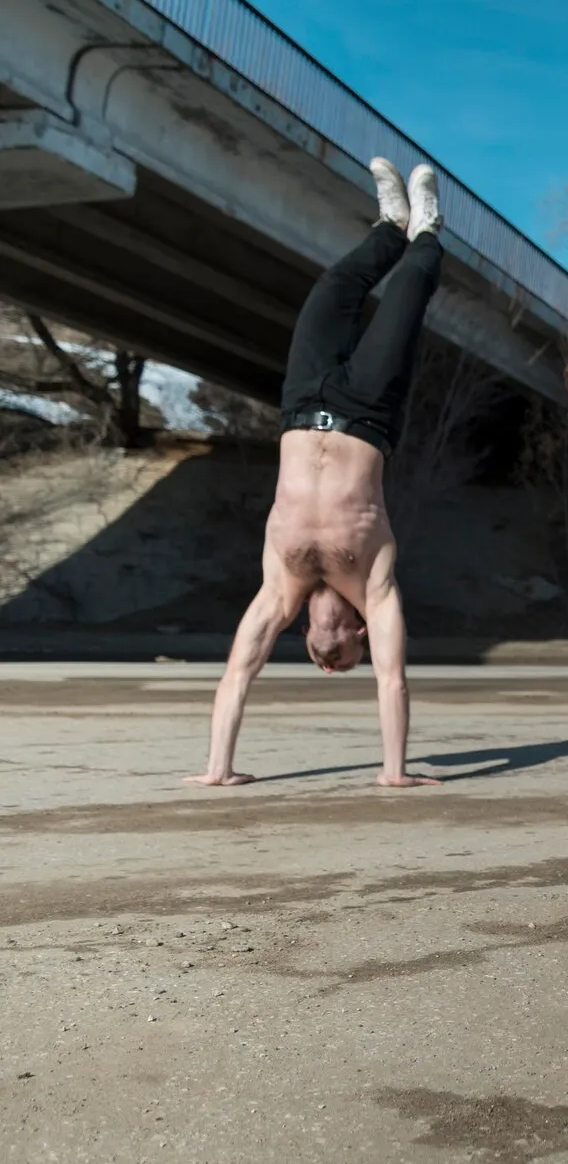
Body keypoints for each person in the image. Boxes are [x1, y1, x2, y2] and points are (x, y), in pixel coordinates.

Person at [187, 157, 445, 788]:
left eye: (324, 661)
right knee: (409, 292)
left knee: (331, 290)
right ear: (358, 634)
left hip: (301, 404)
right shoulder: (376, 588)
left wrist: (218, 770)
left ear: (306, 637)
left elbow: (237, 673)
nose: (332, 660)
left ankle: (388, 223)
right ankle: (424, 227)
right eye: (345, 658)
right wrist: (394, 772)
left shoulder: (279, 589)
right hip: (366, 413)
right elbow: (393, 678)